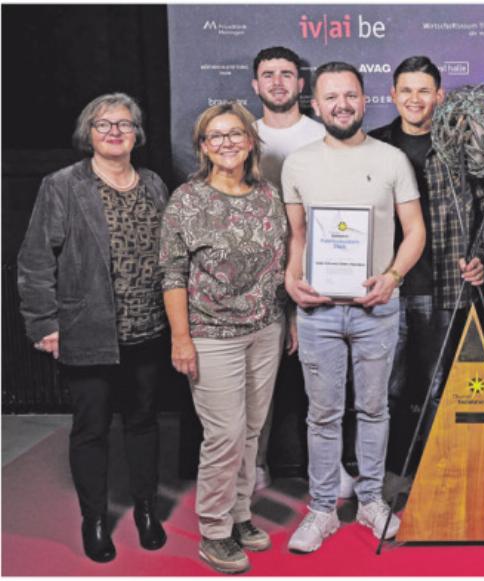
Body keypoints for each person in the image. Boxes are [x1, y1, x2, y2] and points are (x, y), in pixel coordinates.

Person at [17, 93, 169, 564]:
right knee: (92, 429)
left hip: (149, 328)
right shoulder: (63, 185)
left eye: (125, 124)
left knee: (144, 422)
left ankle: (146, 510)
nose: (115, 132)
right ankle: (95, 519)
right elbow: (36, 260)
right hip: (88, 329)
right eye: (104, 124)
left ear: (137, 134)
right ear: (89, 133)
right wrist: (44, 322)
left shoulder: (155, 184)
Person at [281, 61, 425, 553]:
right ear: (315, 105)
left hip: (375, 310)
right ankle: (322, 509)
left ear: (365, 101)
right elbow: (297, 238)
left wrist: (392, 278)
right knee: (322, 415)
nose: (341, 104)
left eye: (350, 95)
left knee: (373, 409)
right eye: (331, 97)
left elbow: (416, 232)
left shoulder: (391, 160)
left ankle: (369, 502)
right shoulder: (298, 163)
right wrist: (289, 280)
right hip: (317, 311)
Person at [160, 102, 290, 574]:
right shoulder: (187, 200)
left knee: (252, 431)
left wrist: (287, 319)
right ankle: (214, 531)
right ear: (202, 147)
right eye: (215, 136)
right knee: (225, 435)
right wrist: (181, 338)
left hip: (265, 328)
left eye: (235, 133)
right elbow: (172, 273)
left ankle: (238, 517)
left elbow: (281, 263)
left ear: (250, 141)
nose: (226, 142)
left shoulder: (267, 195)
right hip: (211, 334)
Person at [369, 56, 484, 474]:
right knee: (388, 389)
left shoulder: (463, 146)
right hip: (387, 290)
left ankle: (438, 473)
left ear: (439, 95)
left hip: (448, 287)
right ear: (392, 95)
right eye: (406, 90)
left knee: (441, 388)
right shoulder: (374, 146)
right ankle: (388, 473)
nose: (414, 99)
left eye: (424, 90)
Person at [248, 45, 327, 493]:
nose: (278, 82)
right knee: (256, 385)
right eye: (268, 74)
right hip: (254, 282)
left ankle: (327, 471)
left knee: (322, 384)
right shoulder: (241, 136)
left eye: (287, 74)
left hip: (314, 274)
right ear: (255, 85)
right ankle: (254, 464)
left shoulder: (321, 136)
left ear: (301, 84)